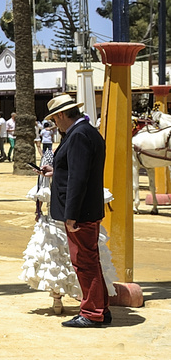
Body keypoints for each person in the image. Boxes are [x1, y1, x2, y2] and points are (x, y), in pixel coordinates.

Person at [42, 93, 110, 327]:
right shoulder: (86, 131)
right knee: (90, 260)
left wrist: (71, 215)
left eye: (55, 119)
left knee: (84, 261)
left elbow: (79, 179)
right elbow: (76, 170)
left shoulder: (78, 135)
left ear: (61, 115)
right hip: (87, 209)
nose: (55, 124)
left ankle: (92, 312)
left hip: (81, 212)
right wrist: (56, 170)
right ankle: (100, 308)